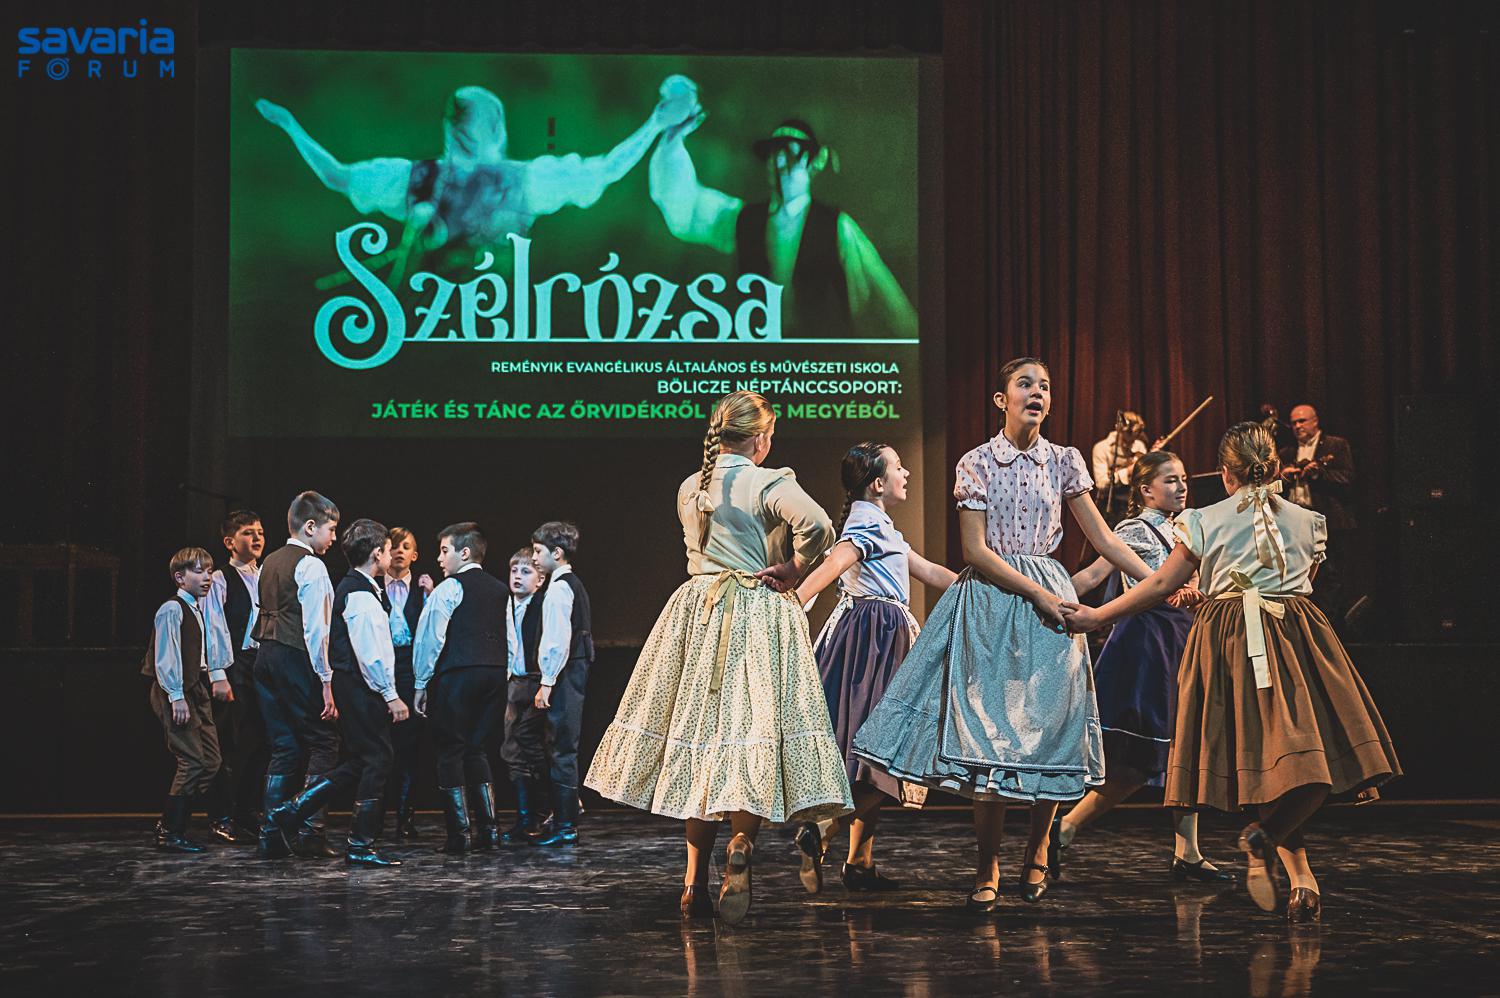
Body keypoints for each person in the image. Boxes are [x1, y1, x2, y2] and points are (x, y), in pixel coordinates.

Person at [1062, 422, 1401, 922]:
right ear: (1275, 468)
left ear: (1225, 474)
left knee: (1267, 761)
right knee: (1306, 759)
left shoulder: (1204, 520)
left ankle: (1273, 846)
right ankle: (1298, 874)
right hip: (1295, 636)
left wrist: (1097, 616)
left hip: (1229, 639)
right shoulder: (1309, 520)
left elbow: (1160, 585)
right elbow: (1299, 579)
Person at [852, 357, 1154, 914]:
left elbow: (1107, 541)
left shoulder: (1064, 461)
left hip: (1050, 606)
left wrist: (1161, 581)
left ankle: (1037, 849)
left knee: (1049, 733)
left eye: (1046, 386)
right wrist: (1036, 593)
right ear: (1001, 400)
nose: (1038, 393)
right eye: (1025, 384)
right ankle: (987, 864)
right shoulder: (977, 462)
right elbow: (975, 550)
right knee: (989, 739)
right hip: (994, 602)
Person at [585, 390, 851, 925]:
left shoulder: (692, 485)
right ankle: (741, 845)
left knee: (702, 743)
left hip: (699, 612)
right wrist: (795, 566)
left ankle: (692, 885)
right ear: (760, 439)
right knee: (751, 734)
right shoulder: (768, 481)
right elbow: (820, 526)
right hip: (754, 610)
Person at [255, 81, 690, 281]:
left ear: (450, 130)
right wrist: (654, 124)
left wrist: (290, 126)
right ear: (497, 130)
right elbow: (608, 168)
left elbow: (337, 176)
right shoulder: (527, 179)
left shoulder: (410, 177)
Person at [1054, 452, 1232, 884]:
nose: (1181, 486)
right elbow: (1094, 575)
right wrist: (1043, 596)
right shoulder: (1134, 529)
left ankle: (1187, 851)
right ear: (1146, 490)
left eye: (1184, 478)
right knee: (1143, 755)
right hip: (1148, 643)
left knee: (1184, 747)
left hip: (1183, 637)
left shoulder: (1189, 527)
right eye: (1170, 480)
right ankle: (1065, 828)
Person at [792, 442, 956, 894]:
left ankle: (859, 862)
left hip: (874, 633)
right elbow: (837, 561)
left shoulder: (882, 525)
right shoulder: (865, 523)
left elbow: (928, 570)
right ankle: (825, 830)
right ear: (878, 483)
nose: (907, 473)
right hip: (876, 637)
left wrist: (981, 587)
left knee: (873, 751)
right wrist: (798, 600)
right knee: (889, 748)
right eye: (900, 467)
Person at [649, 107, 916, 338]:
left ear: (813, 162)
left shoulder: (836, 226)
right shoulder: (744, 220)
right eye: (773, 154)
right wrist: (672, 142)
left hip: (814, 363)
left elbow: (880, 299)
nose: (778, 162)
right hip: (761, 360)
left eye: (790, 152)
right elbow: (688, 206)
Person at [266, 519, 410, 867]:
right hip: (361, 685)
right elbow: (371, 651)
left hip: (355, 684)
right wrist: (390, 693)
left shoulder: (360, 588)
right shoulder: (359, 593)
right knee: (378, 759)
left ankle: (293, 809)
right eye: (388, 550)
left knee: (363, 759)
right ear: (377, 553)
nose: (390, 555)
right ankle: (359, 844)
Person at [252, 491, 342, 860]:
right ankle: (309, 831)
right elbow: (317, 629)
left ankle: (271, 834)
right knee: (324, 741)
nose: (333, 538)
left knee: (285, 745)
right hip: (294, 656)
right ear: (310, 526)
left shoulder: (269, 561)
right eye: (330, 529)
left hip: (265, 655)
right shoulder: (312, 566)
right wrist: (326, 680)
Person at [413, 523, 508, 854]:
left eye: (444, 551)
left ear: (464, 552)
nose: (440, 559)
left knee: (450, 751)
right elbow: (511, 636)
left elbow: (430, 638)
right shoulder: (500, 590)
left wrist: (420, 682)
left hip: (459, 673)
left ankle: (459, 835)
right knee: (476, 748)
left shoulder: (449, 588)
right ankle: (490, 831)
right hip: (495, 673)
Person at [142, 547, 226, 853]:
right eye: (199, 571)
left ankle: (172, 820)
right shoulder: (172, 609)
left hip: (195, 688)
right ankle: (171, 831)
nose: (207, 578)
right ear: (180, 577)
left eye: (209, 571)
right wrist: (176, 696)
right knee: (191, 760)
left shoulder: (197, 609)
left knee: (211, 760)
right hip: (176, 690)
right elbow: (167, 657)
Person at [528, 522, 595, 847]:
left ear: (557, 553)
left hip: (565, 675)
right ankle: (563, 817)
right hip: (572, 673)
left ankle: (566, 825)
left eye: (538, 551)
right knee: (559, 746)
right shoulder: (568, 583)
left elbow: (556, 640)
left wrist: (547, 681)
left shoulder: (559, 588)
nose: (533, 558)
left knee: (562, 748)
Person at [202, 510, 267, 842]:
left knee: (262, 739)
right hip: (234, 665)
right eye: (248, 533)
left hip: (262, 664)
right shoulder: (220, 579)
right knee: (228, 743)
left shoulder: (266, 575)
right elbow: (213, 628)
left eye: (260, 532)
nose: (256, 538)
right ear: (229, 542)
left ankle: (247, 810)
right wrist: (218, 674)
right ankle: (221, 817)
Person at [1279, 405, 1357, 619]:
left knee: (1330, 579)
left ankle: (1332, 625)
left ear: (1315, 421)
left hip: (1329, 523)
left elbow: (1348, 480)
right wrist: (1284, 477)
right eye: (1293, 423)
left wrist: (1318, 475)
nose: (1297, 426)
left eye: (1302, 421)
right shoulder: (1287, 452)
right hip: (1295, 527)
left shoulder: (1335, 445)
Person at [382, 526, 432, 839]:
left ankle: (405, 818)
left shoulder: (423, 589)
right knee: (379, 746)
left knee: (409, 749)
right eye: (394, 546)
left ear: (414, 555)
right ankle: (373, 817)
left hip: (410, 672)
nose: (399, 551)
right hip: (380, 671)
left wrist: (430, 595)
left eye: (406, 547)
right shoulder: (374, 586)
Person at [500, 547, 548, 845]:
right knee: (512, 749)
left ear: (540, 579)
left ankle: (548, 809)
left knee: (534, 744)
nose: (518, 577)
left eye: (526, 571)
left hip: (535, 682)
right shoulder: (504, 605)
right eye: (514, 571)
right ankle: (525, 818)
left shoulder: (542, 606)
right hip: (512, 683)